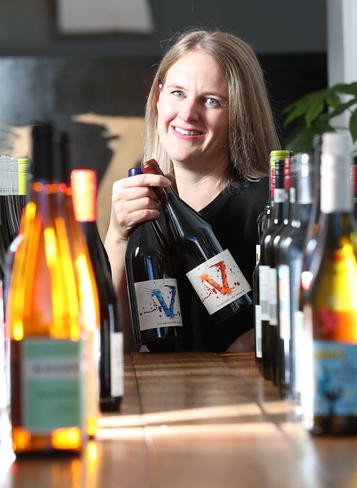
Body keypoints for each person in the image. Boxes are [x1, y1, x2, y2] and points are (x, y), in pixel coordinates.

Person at [104, 29, 280, 352]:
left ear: (238, 114)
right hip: (159, 399)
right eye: (177, 93)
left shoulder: (267, 209)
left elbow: (289, 328)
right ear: (158, 96)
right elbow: (113, 346)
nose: (187, 113)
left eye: (211, 100)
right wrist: (116, 237)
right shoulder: (143, 210)